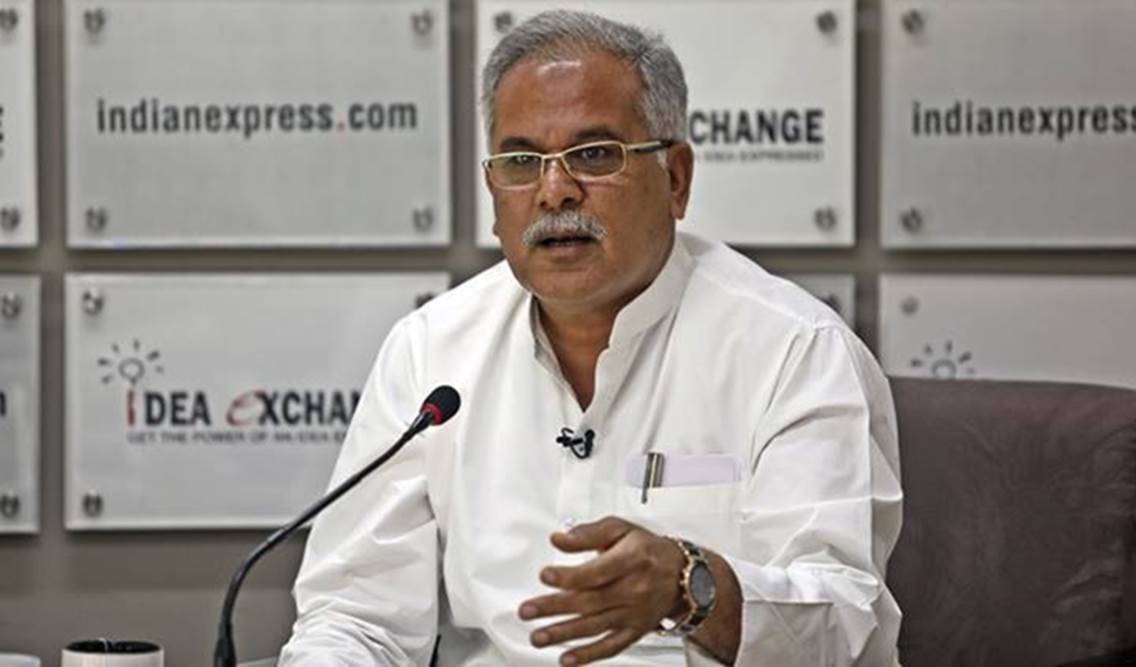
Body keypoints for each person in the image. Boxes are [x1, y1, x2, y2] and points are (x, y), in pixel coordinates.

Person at [279, 9, 901, 666]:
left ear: (676, 179)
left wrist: (690, 586)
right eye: (522, 161)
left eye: (594, 155)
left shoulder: (794, 350)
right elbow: (354, 615)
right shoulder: (431, 351)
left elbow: (845, 624)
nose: (554, 191)